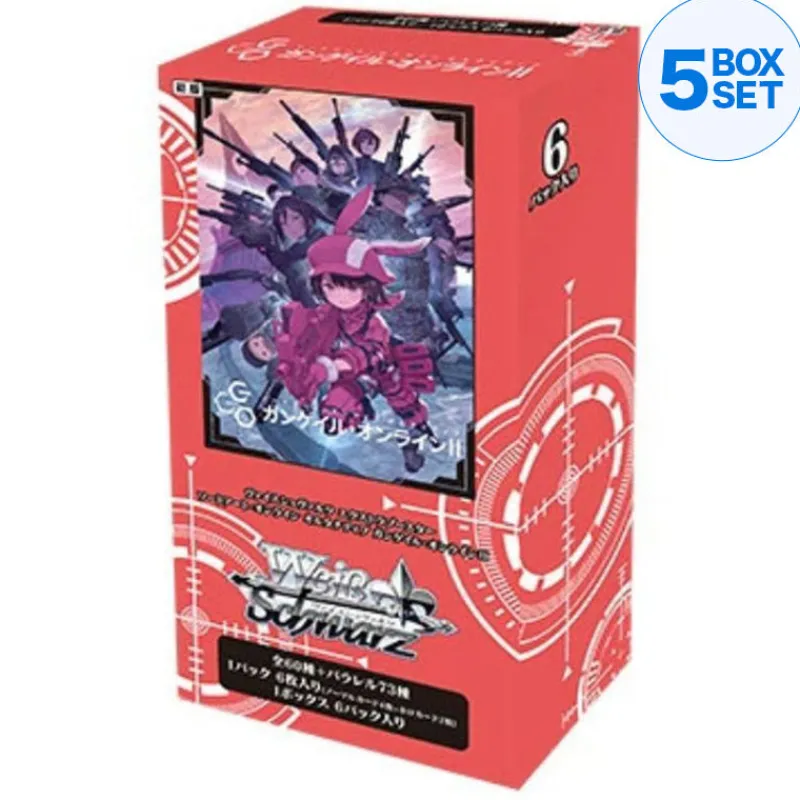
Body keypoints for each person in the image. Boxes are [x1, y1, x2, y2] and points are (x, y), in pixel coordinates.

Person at [273, 186, 439, 473]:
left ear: (366, 285)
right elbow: (312, 329)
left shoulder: (374, 322)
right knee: (337, 406)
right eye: (329, 286)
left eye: (347, 286)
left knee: (405, 403)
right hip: (347, 374)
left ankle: (416, 433)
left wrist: (336, 365)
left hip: (381, 369)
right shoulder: (329, 312)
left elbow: (372, 351)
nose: (338, 294)